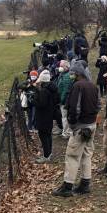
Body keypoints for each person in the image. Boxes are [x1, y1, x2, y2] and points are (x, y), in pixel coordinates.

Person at [53, 63, 101, 197]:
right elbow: (98, 105)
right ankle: (85, 183)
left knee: (72, 156)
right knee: (87, 154)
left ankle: (67, 186)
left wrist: (73, 123)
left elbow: (75, 108)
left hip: (80, 127)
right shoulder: (93, 85)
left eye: (73, 73)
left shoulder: (78, 86)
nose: (71, 75)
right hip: (91, 125)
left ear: (78, 73)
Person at [34, 69, 60, 163]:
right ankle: (49, 153)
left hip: (43, 117)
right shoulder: (52, 89)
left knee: (43, 135)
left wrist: (34, 97)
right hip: (49, 115)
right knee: (48, 135)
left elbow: (41, 104)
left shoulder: (44, 91)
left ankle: (46, 155)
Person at [57, 60, 73, 139]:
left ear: (66, 67)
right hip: (65, 100)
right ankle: (66, 131)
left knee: (65, 117)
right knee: (65, 116)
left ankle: (66, 133)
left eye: (62, 66)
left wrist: (61, 100)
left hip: (65, 101)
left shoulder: (67, 76)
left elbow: (65, 90)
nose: (60, 67)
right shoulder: (63, 74)